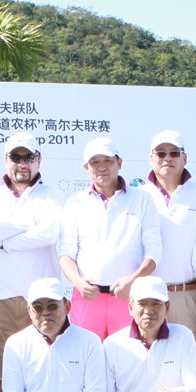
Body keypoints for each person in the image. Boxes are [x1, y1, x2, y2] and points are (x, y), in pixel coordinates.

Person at [0, 130, 63, 392]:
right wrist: (25, 227)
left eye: (29, 157)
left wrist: (4, 241)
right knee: (1, 379)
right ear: (5, 160)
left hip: (43, 302)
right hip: (0, 299)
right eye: (16, 157)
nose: (22, 163)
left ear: (39, 160)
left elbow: (48, 233)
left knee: (45, 377)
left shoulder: (52, 195)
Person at [58, 136, 161, 339]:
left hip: (129, 297)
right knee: (85, 354)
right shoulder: (75, 203)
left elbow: (154, 250)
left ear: (119, 163)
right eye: (95, 162)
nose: (102, 167)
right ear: (86, 167)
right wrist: (78, 282)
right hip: (87, 298)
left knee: (129, 355)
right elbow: (66, 252)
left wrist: (133, 281)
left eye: (108, 160)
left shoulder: (142, 198)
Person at [139, 129, 196, 345]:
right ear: (151, 158)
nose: (167, 158)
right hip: (148, 296)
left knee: (190, 356)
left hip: (187, 294)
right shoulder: (139, 194)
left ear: (184, 158)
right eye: (161, 153)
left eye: (174, 153)